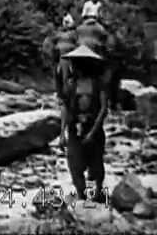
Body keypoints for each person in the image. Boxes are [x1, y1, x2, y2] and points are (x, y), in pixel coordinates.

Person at [60, 44, 108, 203]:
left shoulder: (98, 84)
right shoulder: (70, 85)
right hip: (75, 128)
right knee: (74, 163)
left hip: (93, 128)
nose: (75, 66)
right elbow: (66, 108)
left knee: (95, 164)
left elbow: (103, 109)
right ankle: (81, 195)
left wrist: (92, 132)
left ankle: (97, 194)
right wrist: (62, 133)